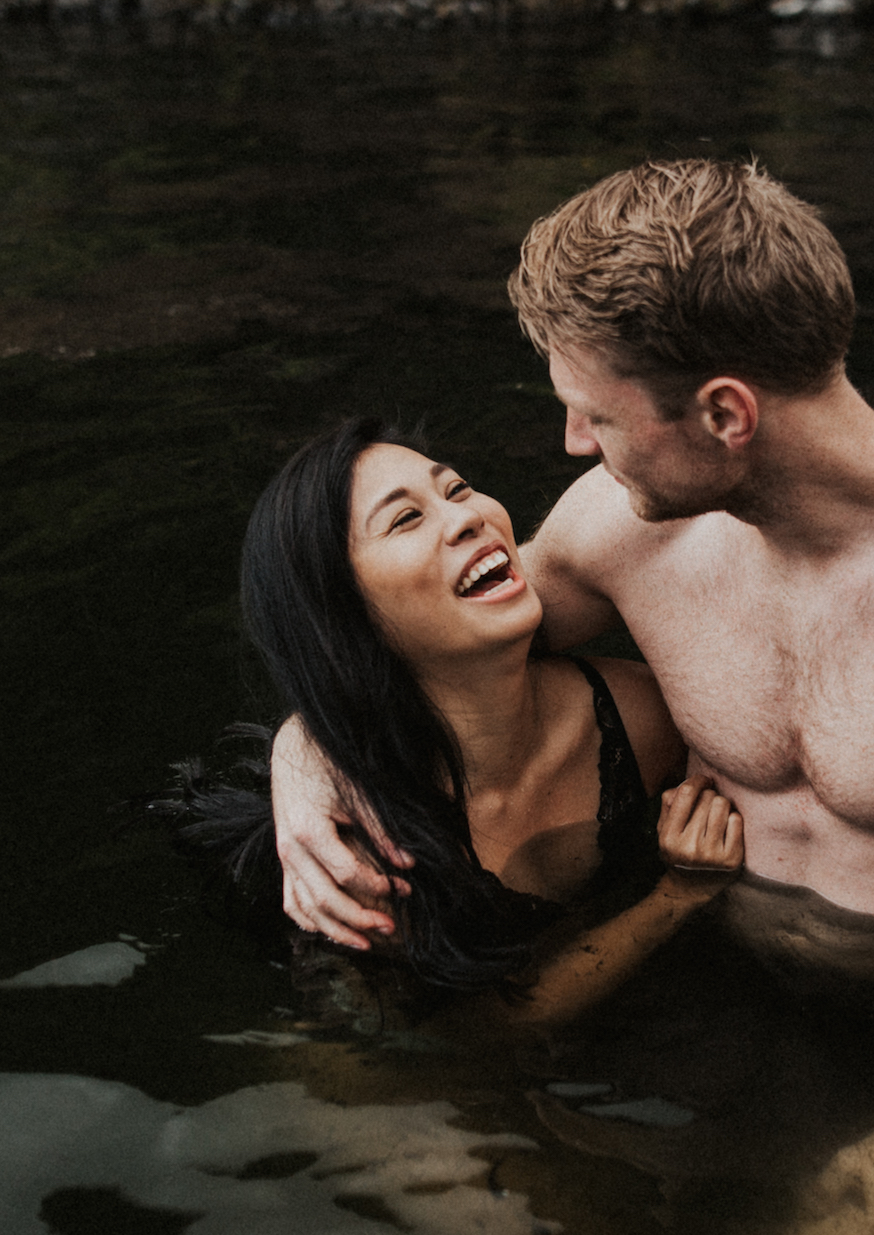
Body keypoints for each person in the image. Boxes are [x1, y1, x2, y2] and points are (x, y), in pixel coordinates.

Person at [271, 159, 874, 1235]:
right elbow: (423, 650)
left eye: (596, 412)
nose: (568, 443)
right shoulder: (624, 527)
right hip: (691, 973)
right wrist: (303, 752)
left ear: (723, 413)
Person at [171, 415, 746, 1028]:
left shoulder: (641, 721)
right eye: (406, 519)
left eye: (457, 488)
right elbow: (478, 1034)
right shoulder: (353, 849)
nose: (467, 516)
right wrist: (675, 897)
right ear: (346, 616)